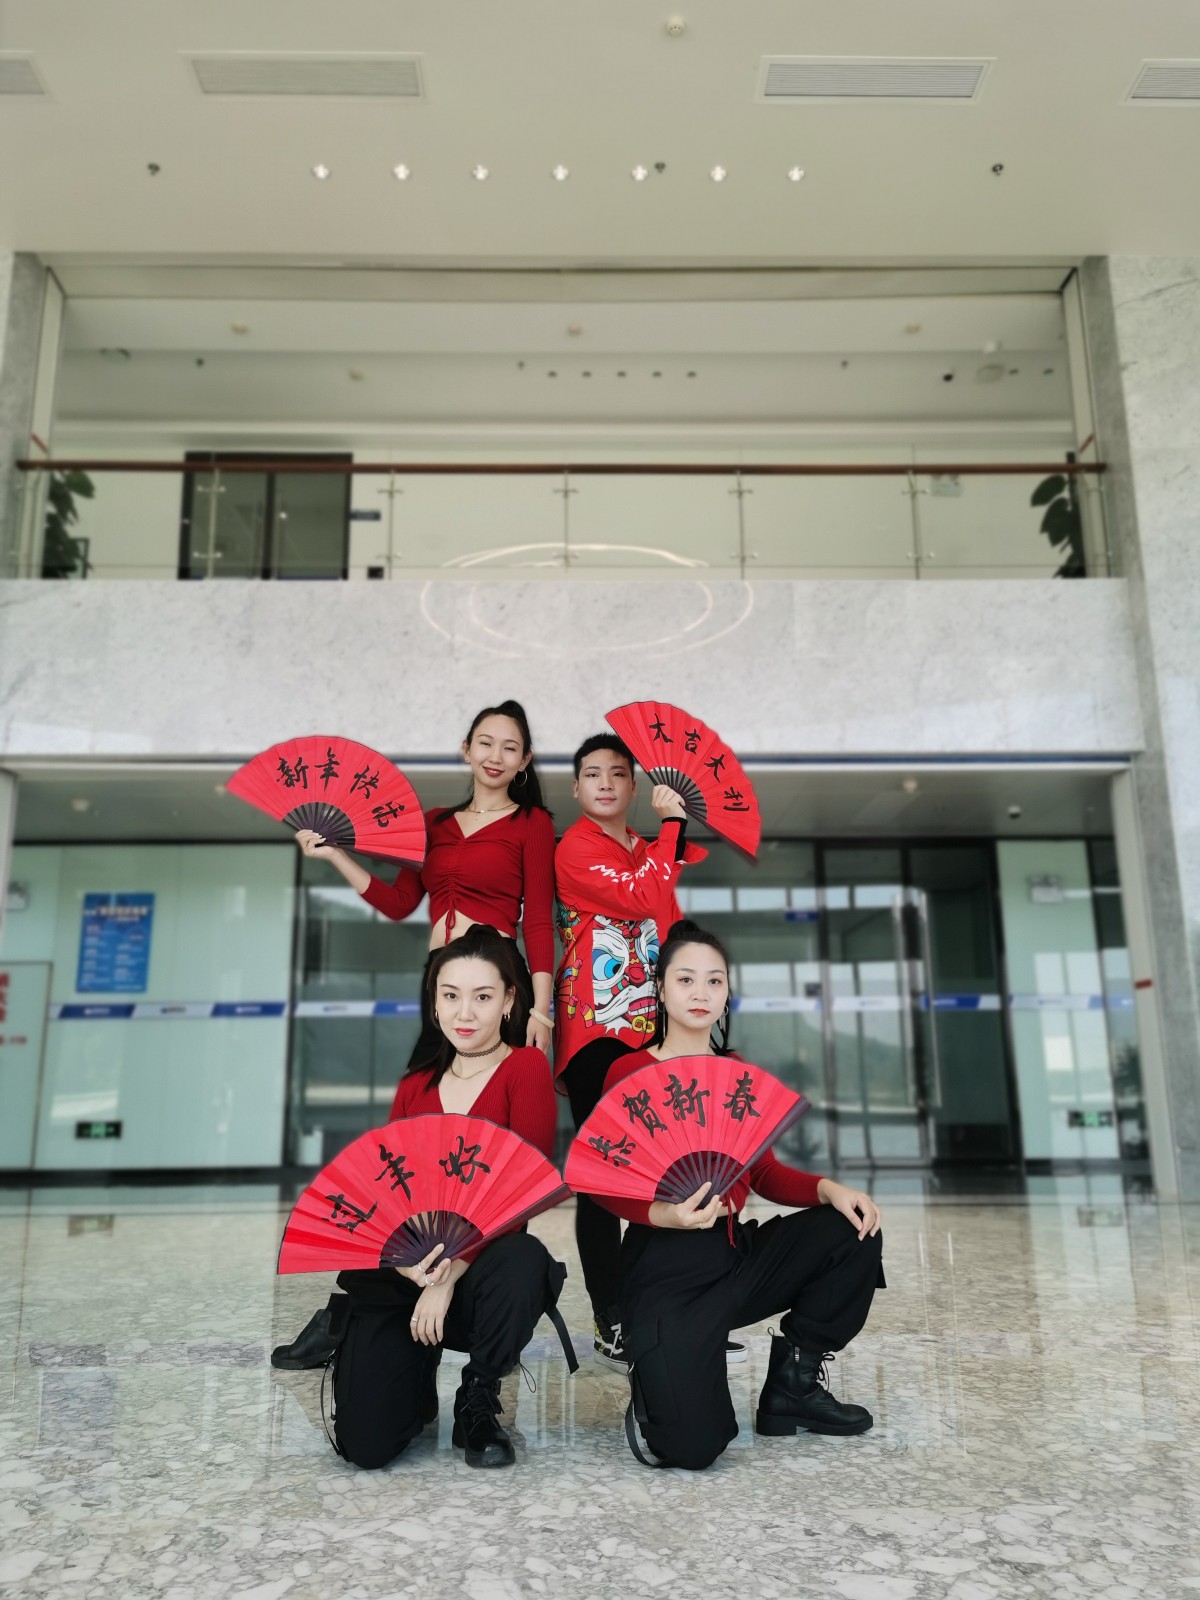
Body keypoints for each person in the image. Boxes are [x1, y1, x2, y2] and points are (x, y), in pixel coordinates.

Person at [272, 700, 556, 1371]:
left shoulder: (532, 823)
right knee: (423, 1138)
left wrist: (540, 1010)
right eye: (484, 742)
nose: (495, 755)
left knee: (497, 1139)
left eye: (509, 746)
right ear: (466, 749)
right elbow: (402, 900)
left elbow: (540, 917)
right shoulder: (435, 824)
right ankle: (359, 1306)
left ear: (523, 761)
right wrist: (337, 855)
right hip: (443, 988)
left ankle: (482, 1281)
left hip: (498, 988)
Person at [590, 919, 885, 1471]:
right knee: (692, 1449)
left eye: (715, 981)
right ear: (660, 990)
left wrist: (828, 1188)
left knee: (852, 1227)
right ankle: (659, 1371)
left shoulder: (737, 1073)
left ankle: (793, 1387)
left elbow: (765, 1173)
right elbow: (602, 1181)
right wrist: (664, 1214)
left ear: (727, 993)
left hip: (733, 1256)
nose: (700, 993)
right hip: (664, 1271)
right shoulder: (628, 1071)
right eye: (685, 980)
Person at [329, 925, 573, 1471]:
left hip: (482, 1272)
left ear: (509, 1001)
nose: (465, 1013)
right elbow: (388, 1194)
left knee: (523, 1260)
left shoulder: (524, 1068)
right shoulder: (414, 1086)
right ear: (434, 1002)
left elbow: (523, 1190)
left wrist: (448, 1276)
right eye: (451, 995)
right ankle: (411, 1380)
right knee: (366, 1447)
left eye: (483, 997)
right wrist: (411, 1268)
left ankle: (478, 1394)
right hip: (409, 1272)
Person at [552, 733, 712, 1367]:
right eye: (593, 773)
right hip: (596, 1029)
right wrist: (672, 828)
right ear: (576, 788)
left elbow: (668, 928)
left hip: (651, 1030)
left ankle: (662, 1310)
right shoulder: (575, 847)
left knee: (660, 1171)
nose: (606, 783)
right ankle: (610, 1316)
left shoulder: (651, 851)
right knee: (602, 1176)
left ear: (634, 785)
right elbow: (642, 896)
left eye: (618, 773)